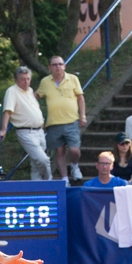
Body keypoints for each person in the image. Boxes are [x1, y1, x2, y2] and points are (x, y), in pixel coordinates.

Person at [35, 56, 87, 185]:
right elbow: (34, 96)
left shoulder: (73, 79)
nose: (57, 66)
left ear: (64, 66)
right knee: (59, 151)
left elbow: (80, 98)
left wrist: (83, 116)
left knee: (74, 150)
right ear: (50, 67)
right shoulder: (45, 82)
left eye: (60, 64)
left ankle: (75, 166)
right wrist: (35, 109)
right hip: (53, 123)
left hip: (72, 120)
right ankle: (64, 178)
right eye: (54, 64)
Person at [0, 66, 52, 181]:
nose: (26, 82)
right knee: (43, 160)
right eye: (22, 79)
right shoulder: (12, 91)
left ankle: (38, 191)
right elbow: (7, 111)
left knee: (36, 165)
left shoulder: (30, 91)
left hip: (39, 131)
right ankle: (50, 183)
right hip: (26, 132)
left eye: (28, 79)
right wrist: (3, 130)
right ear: (16, 80)